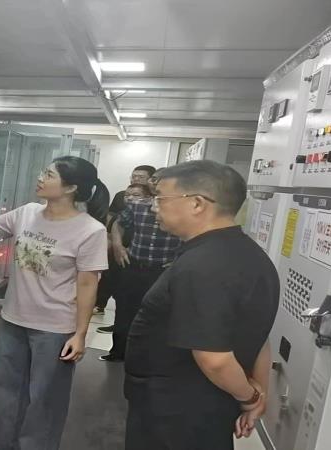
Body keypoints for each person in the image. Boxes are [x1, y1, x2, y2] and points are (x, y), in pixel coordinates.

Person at [0, 156, 109, 450]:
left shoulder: (91, 230)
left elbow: (87, 284)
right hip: (14, 319)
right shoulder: (27, 213)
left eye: (49, 174)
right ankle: (2, 443)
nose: (40, 177)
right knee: (8, 390)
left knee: (45, 397)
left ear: (70, 188)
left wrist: (80, 334)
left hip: (55, 328)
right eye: (43, 171)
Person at [123, 160, 279, 450]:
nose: (154, 207)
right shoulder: (247, 254)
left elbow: (214, 359)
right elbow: (258, 333)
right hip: (200, 407)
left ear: (197, 203)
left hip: (178, 413)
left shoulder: (204, 265)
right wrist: (258, 390)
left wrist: (251, 398)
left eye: (161, 199)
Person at [99, 173, 181, 362]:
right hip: (134, 265)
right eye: (154, 179)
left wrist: (179, 259)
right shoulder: (138, 206)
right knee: (124, 310)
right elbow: (118, 224)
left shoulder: (179, 210)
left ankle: (148, 357)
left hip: (163, 270)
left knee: (158, 314)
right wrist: (118, 246)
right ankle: (118, 353)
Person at [94, 165, 156, 316]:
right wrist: (115, 243)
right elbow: (114, 219)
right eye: (134, 176)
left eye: (141, 177)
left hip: (143, 256)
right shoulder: (123, 198)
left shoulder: (153, 204)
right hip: (120, 247)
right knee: (114, 282)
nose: (136, 179)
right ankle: (103, 307)